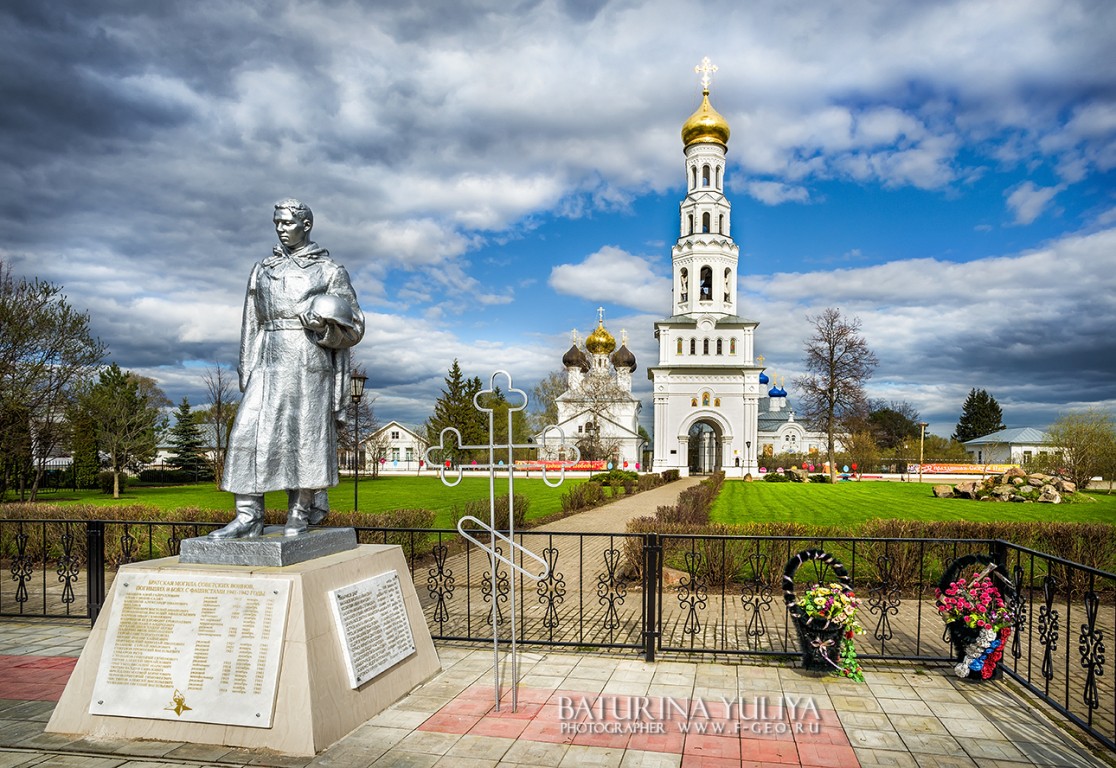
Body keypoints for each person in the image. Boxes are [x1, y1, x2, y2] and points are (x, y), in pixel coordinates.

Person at [210, 198, 364, 538]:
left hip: (308, 359)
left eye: (287, 223)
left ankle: (299, 511)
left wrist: (323, 326)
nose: (280, 228)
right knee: (245, 434)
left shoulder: (329, 271)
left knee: (304, 436)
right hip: (267, 358)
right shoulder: (262, 269)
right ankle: (248, 516)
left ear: (305, 226)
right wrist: (247, 366)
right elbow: (251, 322)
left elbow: (354, 325)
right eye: (276, 222)